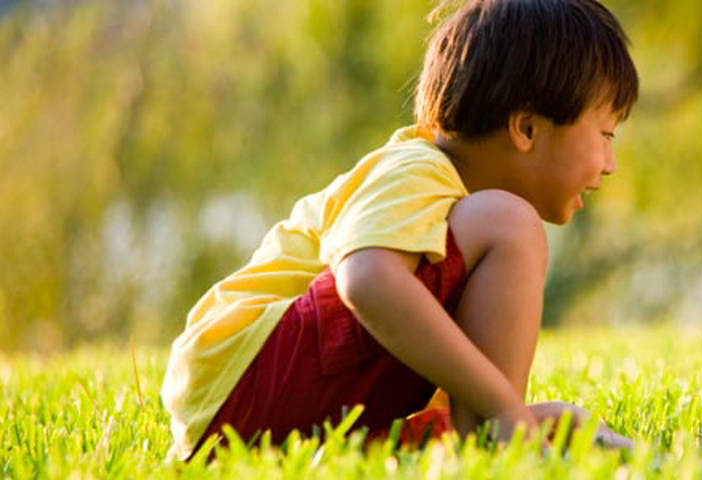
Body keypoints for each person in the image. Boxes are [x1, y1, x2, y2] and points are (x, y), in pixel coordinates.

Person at [160, 0, 638, 461]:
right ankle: (496, 433)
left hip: (249, 415)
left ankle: (485, 438)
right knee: (512, 224)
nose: (611, 165)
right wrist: (505, 409)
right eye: (605, 136)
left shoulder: (454, 221)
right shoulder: (419, 168)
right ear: (527, 129)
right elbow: (365, 279)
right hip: (242, 380)